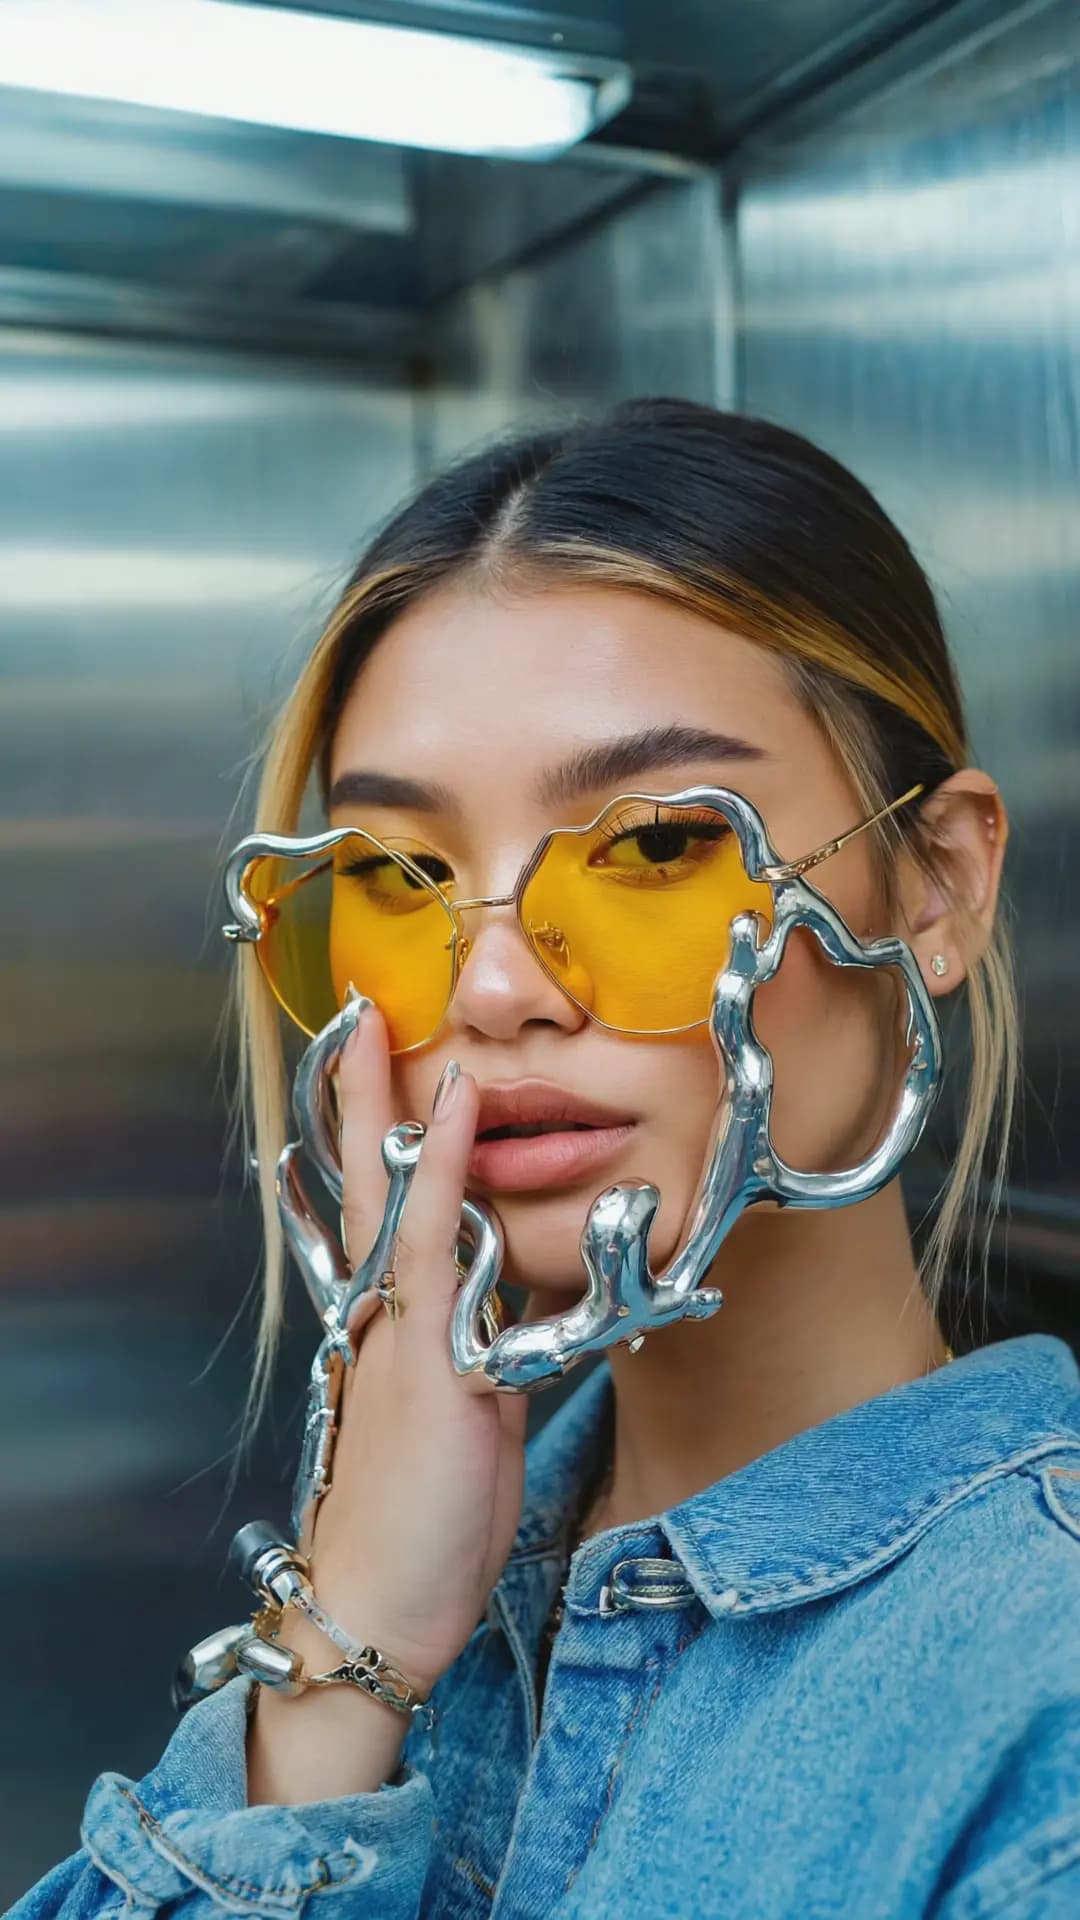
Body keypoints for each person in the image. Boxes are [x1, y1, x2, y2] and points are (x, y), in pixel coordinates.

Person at [12, 400, 1080, 1920]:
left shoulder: (1039, 1722)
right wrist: (347, 1658)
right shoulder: (401, 1588)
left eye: (653, 847)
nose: (494, 987)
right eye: (398, 873)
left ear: (939, 888)